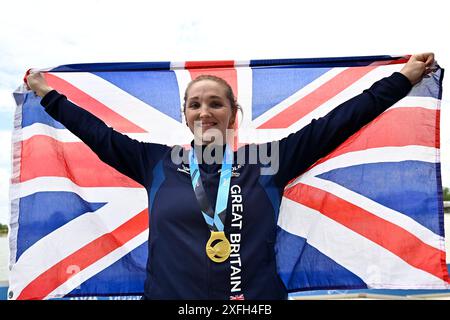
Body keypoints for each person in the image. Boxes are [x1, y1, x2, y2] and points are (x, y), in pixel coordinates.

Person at [26, 53, 435, 300]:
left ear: (233, 114)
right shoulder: (154, 162)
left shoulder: (270, 160)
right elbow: (97, 133)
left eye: (216, 104)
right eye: (196, 104)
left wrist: (403, 79)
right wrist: (48, 95)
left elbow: (339, 121)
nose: (205, 112)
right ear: (184, 115)